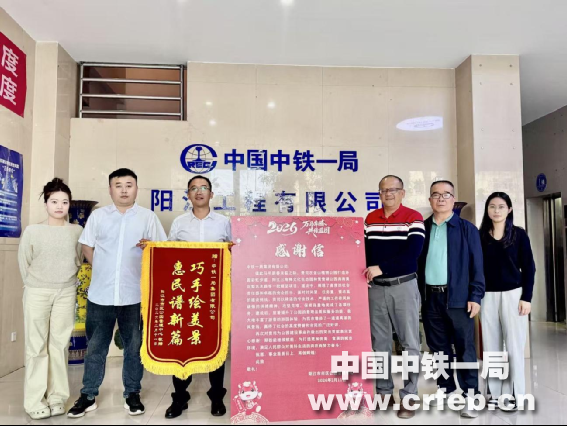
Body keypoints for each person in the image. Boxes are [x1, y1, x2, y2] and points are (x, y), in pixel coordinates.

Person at [67, 169, 167, 418]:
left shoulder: (147, 217)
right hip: (101, 294)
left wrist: (149, 248)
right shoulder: (99, 216)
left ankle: (132, 393)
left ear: (136, 189)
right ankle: (88, 395)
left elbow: (161, 250)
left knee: (133, 347)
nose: (124, 190)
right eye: (118, 185)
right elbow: (87, 245)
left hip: (134, 294)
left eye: (129, 185)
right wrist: (102, 268)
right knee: (95, 348)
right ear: (110, 189)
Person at [165, 175, 232, 420]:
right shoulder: (179, 222)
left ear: (211, 194)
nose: (199, 191)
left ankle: (216, 396)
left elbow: (234, 252)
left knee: (216, 344)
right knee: (183, 344)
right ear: (188, 195)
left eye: (204, 188)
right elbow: (168, 254)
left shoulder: (224, 223)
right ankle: (180, 398)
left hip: (215, 293)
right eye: (194, 188)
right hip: (185, 295)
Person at [417, 180, 485, 419]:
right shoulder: (422, 229)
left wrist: (476, 295)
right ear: (430, 200)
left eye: (446, 194)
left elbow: (477, 265)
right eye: (436, 195)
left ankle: (471, 395)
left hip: (459, 298)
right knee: (438, 348)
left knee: (465, 347)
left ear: (453, 199)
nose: (441, 198)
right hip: (430, 298)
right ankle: (446, 390)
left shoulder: (466, 229)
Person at [18, 178, 83, 421]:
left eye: (64, 202)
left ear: (69, 204)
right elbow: (24, 262)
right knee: (36, 346)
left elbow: (78, 259)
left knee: (59, 345)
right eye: (54, 201)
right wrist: (35, 284)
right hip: (37, 292)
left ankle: (57, 398)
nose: (59, 206)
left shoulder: (76, 231)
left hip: (66, 292)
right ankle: (35, 401)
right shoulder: (32, 231)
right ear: (45, 203)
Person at [364, 175, 425, 420]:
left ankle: (409, 395)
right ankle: (384, 393)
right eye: (383, 190)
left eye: (393, 189)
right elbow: (362, 252)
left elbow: (413, 254)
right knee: (379, 344)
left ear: (403, 193)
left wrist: (381, 268)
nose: (388, 193)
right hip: (375, 289)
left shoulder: (413, 218)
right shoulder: (370, 219)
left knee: (410, 343)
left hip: (404, 286)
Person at [480, 192, 535, 410]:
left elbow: (529, 267)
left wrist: (527, 297)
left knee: (514, 346)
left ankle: (515, 393)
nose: (496, 210)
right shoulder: (481, 236)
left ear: (509, 209)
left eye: (501, 206)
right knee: (491, 346)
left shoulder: (519, 235)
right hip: (487, 296)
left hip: (514, 295)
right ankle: (494, 393)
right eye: (492, 206)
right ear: (487, 210)